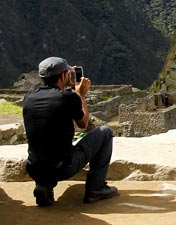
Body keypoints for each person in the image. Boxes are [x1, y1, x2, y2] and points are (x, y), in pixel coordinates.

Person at [23, 57, 118, 207]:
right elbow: (83, 124)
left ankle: (44, 185)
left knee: (46, 146)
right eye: (68, 73)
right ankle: (96, 189)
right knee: (104, 132)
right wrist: (81, 95)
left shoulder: (29, 98)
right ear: (63, 76)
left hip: (33, 168)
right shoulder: (67, 97)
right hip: (62, 167)